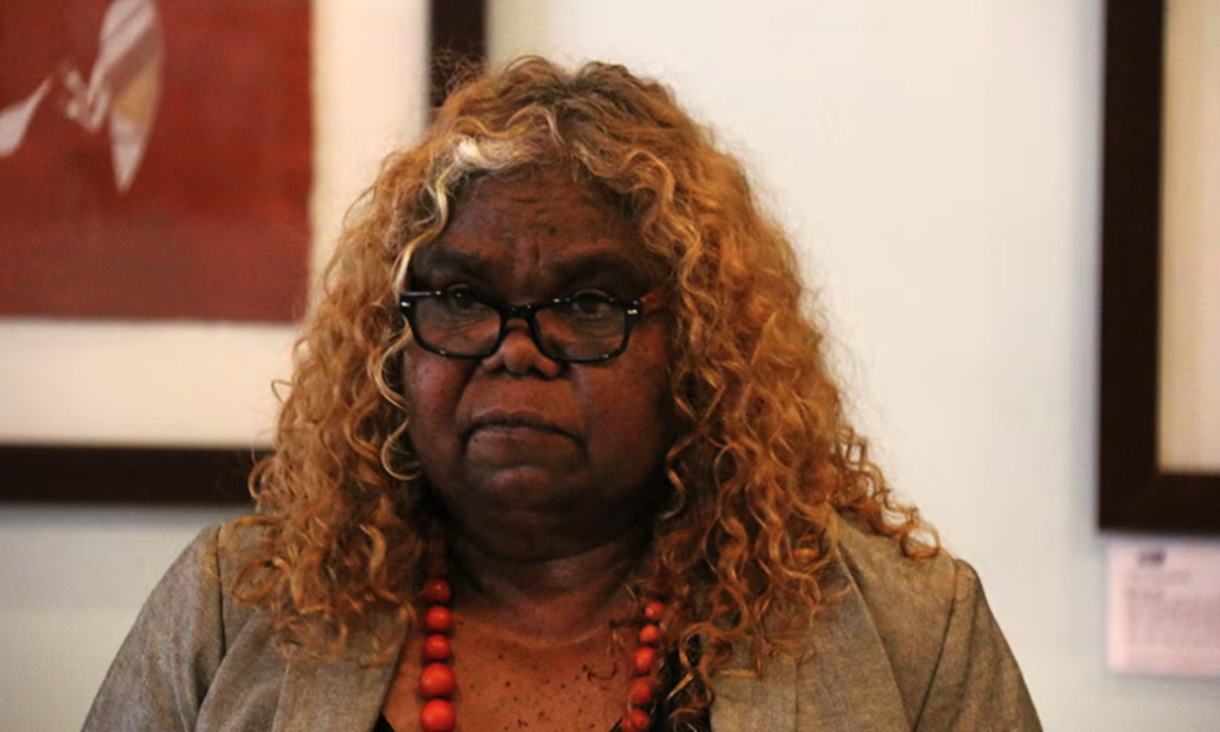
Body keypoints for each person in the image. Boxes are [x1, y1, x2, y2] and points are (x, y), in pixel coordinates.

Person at [83, 57, 1041, 732]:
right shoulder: (232, 609)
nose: (516, 350)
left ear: (698, 349)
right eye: (461, 298)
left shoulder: (912, 633)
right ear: (391, 340)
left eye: (587, 302)